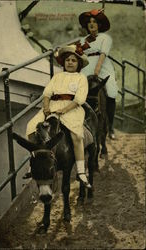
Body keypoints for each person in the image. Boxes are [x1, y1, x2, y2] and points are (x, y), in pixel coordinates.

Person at [26, 44, 91, 188]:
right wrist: (46, 107)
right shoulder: (57, 77)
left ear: (79, 64)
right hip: (53, 108)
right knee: (31, 126)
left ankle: (80, 171)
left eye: (73, 60)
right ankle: (33, 162)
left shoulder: (81, 78)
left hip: (72, 109)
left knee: (76, 135)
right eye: (67, 60)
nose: (70, 63)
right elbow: (47, 93)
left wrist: (65, 109)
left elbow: (79, 99)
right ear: (63, 62)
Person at [78, 8, 118, 139]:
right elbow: (79, 55)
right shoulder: (84, 40)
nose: (91, 24)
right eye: (89, 22)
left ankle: (110, 126)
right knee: (80, 90)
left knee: (111, 91)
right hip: (87, 65)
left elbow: (102, 54)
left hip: (102, 66)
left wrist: (97, 71)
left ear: (99, 25)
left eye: (94, 22)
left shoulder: (105, 38)